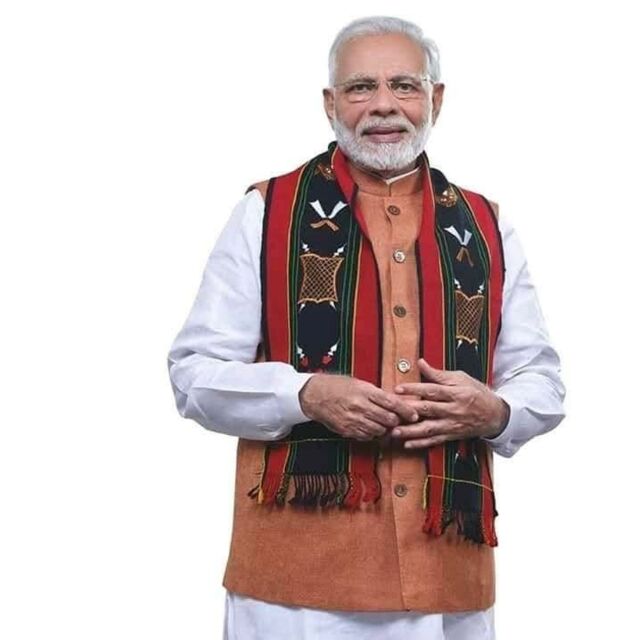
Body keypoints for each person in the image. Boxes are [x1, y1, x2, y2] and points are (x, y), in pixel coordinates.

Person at [167, 15, 566, 640]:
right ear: (331, 103)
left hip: (448, 576)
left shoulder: (485, 224)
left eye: (404, 85)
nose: (384, 105)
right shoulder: (266, 211)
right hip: (296, 583)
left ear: (435, 99)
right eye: (361, 88)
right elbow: (193, 375)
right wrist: (304, 395)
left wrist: (494, 411)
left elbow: (540, 379)